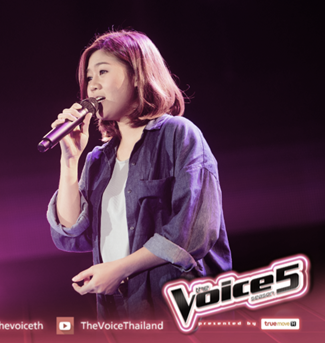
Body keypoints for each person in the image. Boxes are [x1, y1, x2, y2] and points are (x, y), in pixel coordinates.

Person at [46, 30, 232, 320]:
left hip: (177, 309)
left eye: (102, 72)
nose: (92, 85)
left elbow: (192, 232)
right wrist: (70, 161)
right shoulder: (98, 160)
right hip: (119, 311)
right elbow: (73, 234)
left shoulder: (178, 135)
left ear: (137, 75)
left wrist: (119, 269)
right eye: (89, 78)